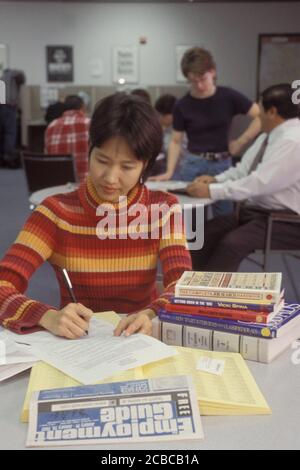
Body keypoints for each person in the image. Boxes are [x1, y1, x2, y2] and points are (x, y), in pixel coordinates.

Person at [0, 92, 191, 338]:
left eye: (127, 167)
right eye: (102, 160)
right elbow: (3, 284)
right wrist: (46, 316)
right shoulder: (55, 213)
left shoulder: (164, 210)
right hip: (77, 342)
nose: (111, 178)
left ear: (146, 165)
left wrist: (152, 314)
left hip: (140, 339)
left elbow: (183, 285)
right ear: (89, 150)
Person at [186, 83, 300, 271]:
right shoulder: (268, 136)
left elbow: (260, 183)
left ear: (272, 112)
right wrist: (216, 180)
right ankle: (190, 287)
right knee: (202, 235)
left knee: (231, 245)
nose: (258, 115)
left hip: (286, 222)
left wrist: (213, 191)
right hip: (257, 213)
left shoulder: (293, 141)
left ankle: (212, 296)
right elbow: (244, 170)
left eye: (260, 109)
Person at [152, 47, 261, 217]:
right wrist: (169, 171)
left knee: (224, 214)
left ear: (213, 72)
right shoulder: (182, 105)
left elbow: (261, 116)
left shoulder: (229, 96)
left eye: (203, 79)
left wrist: (241, 141)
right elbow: (175, 141)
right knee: (189, 214)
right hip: (193, 164)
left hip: (222, 164)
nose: (200, 85)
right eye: (193, 81)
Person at [45, 94, 90, 182]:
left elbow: (47, 155)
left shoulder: (51, 126)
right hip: (86, 185)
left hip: (57, 184)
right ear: (82, 107)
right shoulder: (90, 124)